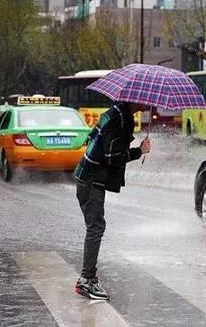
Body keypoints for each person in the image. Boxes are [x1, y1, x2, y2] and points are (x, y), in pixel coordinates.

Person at [73, 101, 151, 300]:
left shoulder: (120, 114)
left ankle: (89, 277)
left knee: (96, 226)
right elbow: (112, 156)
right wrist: (139, 151)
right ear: (134, 99)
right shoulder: (118, 119)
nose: (148, 102)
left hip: (91, 177)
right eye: (144, 98)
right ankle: (85, 280)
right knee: (96, 227)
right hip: (91, 179)